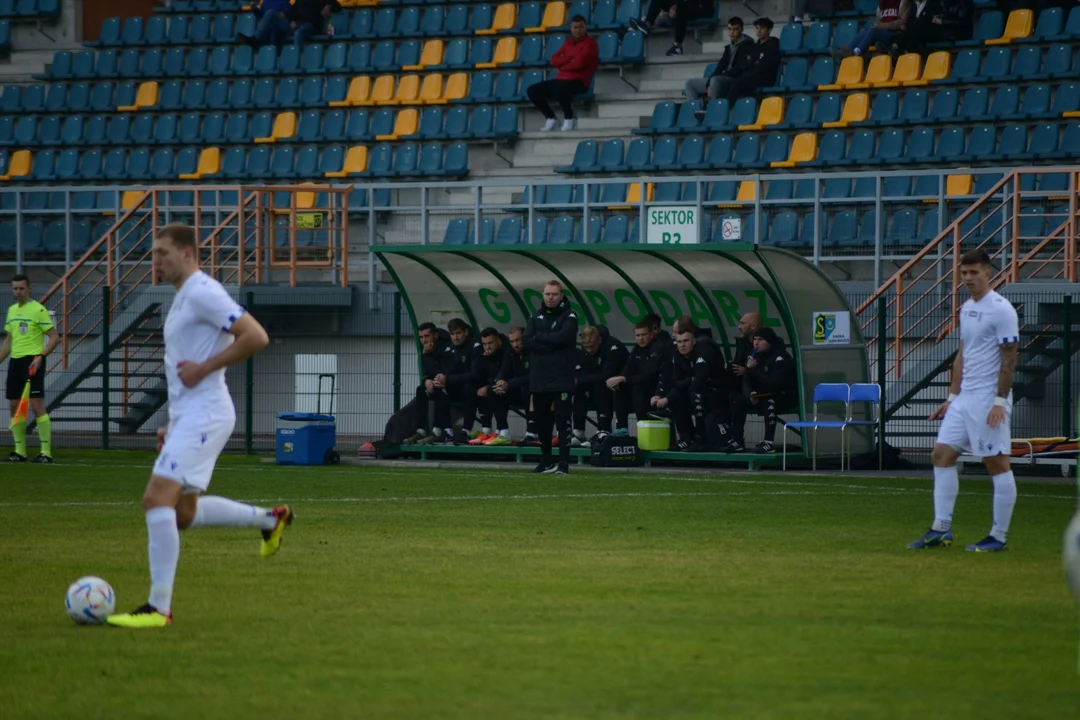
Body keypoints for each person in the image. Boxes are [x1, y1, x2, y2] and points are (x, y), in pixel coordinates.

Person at [107, 225, 290, 629]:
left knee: (156, 500)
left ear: (188, 254)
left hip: (207, 414)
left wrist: (206, 369)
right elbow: (182, 370)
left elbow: (255, 336)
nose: (155, 261)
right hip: (192, 417)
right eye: (153, 254)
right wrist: (171, 424)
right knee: (182, 514)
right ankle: (269, 519)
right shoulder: (182, 297)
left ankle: (158, 609)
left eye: (162, 253)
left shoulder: (203, 291)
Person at [910, 249, 1019, 553]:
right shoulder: (967, 308)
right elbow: (962, 354)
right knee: (941, 456)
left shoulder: (1002, 310)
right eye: (964, 272)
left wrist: (1000, 401)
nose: (969, 278)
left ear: (989, 273)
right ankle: (940, 529)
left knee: (996, 464)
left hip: (988, 400)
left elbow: (1010, 359)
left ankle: (998, 536)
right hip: (964, 399)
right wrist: (952, 397)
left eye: (975, 272)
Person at [2, 274, 60, 463]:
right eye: (15, 288)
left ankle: (46, 452)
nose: (17, 292)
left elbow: (54, 337)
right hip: (15, 362)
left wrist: (41, 357)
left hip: (32, 361)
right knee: (14, 406)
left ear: (29, 289)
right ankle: (20, 451)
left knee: (36, 405)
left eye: (21, 288)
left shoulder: (38, 310)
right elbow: (8, 341)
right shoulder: (11, 311)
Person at [523, 280, 578, 474]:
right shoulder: (535, 315)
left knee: (563, 421)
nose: (551, 298)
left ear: (561, 296)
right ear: (543, 295)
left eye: (554, 294)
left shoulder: (570, 315)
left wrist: (540, 338)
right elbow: (527, 340)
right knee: (542, 422)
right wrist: (548, 342)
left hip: (561, 377)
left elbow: (564, 338)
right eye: (547, 294)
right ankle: (546, 460)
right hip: (539, 379)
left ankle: (563, 463)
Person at [657, 318, 729, 450]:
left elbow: (701, 378)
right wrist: (664, 396)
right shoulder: (678, 354)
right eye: (679, 341)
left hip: (716, 391)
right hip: (695, 389)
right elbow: (676, 381)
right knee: (678, 398)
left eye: (685, 341)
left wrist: (690, 382)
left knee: (696, 395)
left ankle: (700, 439)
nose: (682, 344)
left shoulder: (704, 347)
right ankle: (686, 437)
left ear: (693, 341)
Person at [725, 326, 797, 454]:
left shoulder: (780, 357)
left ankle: (768, 442)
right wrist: (750, 395)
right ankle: (737, 441)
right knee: (736, 399)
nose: (756, 343)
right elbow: (746, 380)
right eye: (755, 339)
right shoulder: (755, 356)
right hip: (760, 396)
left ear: (769, 341)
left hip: (783, 396)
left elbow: (774, 384)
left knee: (770, 400)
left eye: (761, 339)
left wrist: (754, 370)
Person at [529, 15, 599, 132]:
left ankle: (569, 118)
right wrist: (569, 59)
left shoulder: (590, 43)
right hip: (561, 80)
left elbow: (579, 64)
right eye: (575, 27)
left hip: (580, 82)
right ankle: (551, 118)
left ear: (585, 28)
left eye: (580, 27)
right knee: (533, 90)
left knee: (561, 88)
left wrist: (563, 64)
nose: (578, 30)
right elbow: (554, 59)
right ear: (571, 28)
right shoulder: (568, 43)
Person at [606, 318, 670, 433]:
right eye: (637, 335)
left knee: (637, 388)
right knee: (619, 387)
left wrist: (624, 378)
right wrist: (618, 379)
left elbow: (649, 375)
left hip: (656, 389)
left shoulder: (658, 348)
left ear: (651, 334)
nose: (640, 338)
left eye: (644, 335)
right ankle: (622, 429)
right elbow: (628, 368)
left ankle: (643, 431)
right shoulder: (637, 349)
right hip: (640, 386)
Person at [573, 325, 629, 446]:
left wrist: (581, 379)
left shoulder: (613, 348)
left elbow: (607, 374)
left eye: (592, 347)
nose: (588, 350)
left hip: (623, 386)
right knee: (579, 389)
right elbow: (584, 370)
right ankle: (578, 432)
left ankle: (604, 431)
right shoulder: (587, 351)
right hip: (597, 384)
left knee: (602, 385)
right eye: (586, 347)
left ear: (599, 340)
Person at [684, 17, 754, 107]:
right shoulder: (729, 47)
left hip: (735, 80)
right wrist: (708, 83)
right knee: (690, 83)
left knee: (715, 80)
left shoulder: (748, 45)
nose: (732, 32)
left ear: (742, 30)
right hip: (721, 79)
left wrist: (716, 79)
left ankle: (713, 110)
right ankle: (697, 111)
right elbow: (720, 67)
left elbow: (738, 69)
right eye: (729, 29)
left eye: (735, 29)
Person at [406, 322, 453, 445]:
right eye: (421, 337)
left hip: (453, 386)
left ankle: (437, 431)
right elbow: (427, 373)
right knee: (421, 390)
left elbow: (444, 371)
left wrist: (428, 356)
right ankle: (420, 430)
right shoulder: (426, 350)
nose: (424, 340)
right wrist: (427, 380)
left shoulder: (447, 347)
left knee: (438, 389)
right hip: (437, 385)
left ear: (436, 335)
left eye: (427, 336)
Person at [440, 318, 486, 445]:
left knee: (469, 387)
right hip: (456, 387)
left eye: (458, 333)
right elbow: (446, 370)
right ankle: (446, 431)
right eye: (452, 334)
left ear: (466, 332)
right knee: (437, 388)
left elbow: (475, 375)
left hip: (475, 388)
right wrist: (440, 379)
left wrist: (448, 379)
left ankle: (466, 430)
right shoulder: (449, 348)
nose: (455, 337)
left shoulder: (475, 345)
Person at [468, 328, 514, 446]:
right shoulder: (483, 353)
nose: (487, 347)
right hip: (498, 385)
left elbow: (505, 371)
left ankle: (504, 433)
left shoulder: (508, 348)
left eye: (490, 343)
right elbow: (476, 375)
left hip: (513, 386)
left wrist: (497, 383)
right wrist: (484, 358)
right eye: (485, 344)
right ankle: (487, 432)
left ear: (498, 340)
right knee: (474, 389)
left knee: (492, 390)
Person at [495, 326, 539, 444]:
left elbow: (533, 377)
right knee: (497, 390)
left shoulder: (533, 350)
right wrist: (500, 382)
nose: (515, 344)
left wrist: (508, 384)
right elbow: (503, 370)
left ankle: (532, 432)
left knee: (527, 389)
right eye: (512, 341)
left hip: (536, 391)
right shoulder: (510, 351)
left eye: (518, 340)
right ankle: (503, 432)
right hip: (517, 391)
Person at [723, 17, 781, 103]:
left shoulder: (773, 46)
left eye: (762, 28)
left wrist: (751, 61)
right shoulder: (754, 46)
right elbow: (742, 63)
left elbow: (763, 65)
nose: (758, 31)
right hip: (751, 76)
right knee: (726, 82)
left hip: (765, 78)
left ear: (769, 30)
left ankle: (725, 109)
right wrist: (754, 62)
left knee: (737, 83)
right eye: (757, 28)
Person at [630, 0, 717, 56]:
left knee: (680, 8)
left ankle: (678, 46)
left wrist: (675, 7)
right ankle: (647, 24)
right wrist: (673, 6)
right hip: (687, 3)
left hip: (703, 6)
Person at [238, 0, 339, 48]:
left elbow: (337, 5)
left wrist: (328, 6)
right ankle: (255, 39)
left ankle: (296, 58)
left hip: (311, 25)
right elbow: (292, 12)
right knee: (271, 14)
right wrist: (292, 21)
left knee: (299, 32)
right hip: (296, 24)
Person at [833, 0, 912, 59]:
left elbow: (902, 22)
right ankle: (844, 53)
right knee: (866, 29)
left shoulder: (904, 1)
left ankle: (856, 53)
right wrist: (880, 26)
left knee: (874, 30)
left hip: (896, 34)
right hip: (884, 32)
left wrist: (882, 26)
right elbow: (877, 21)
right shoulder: (882, 3)